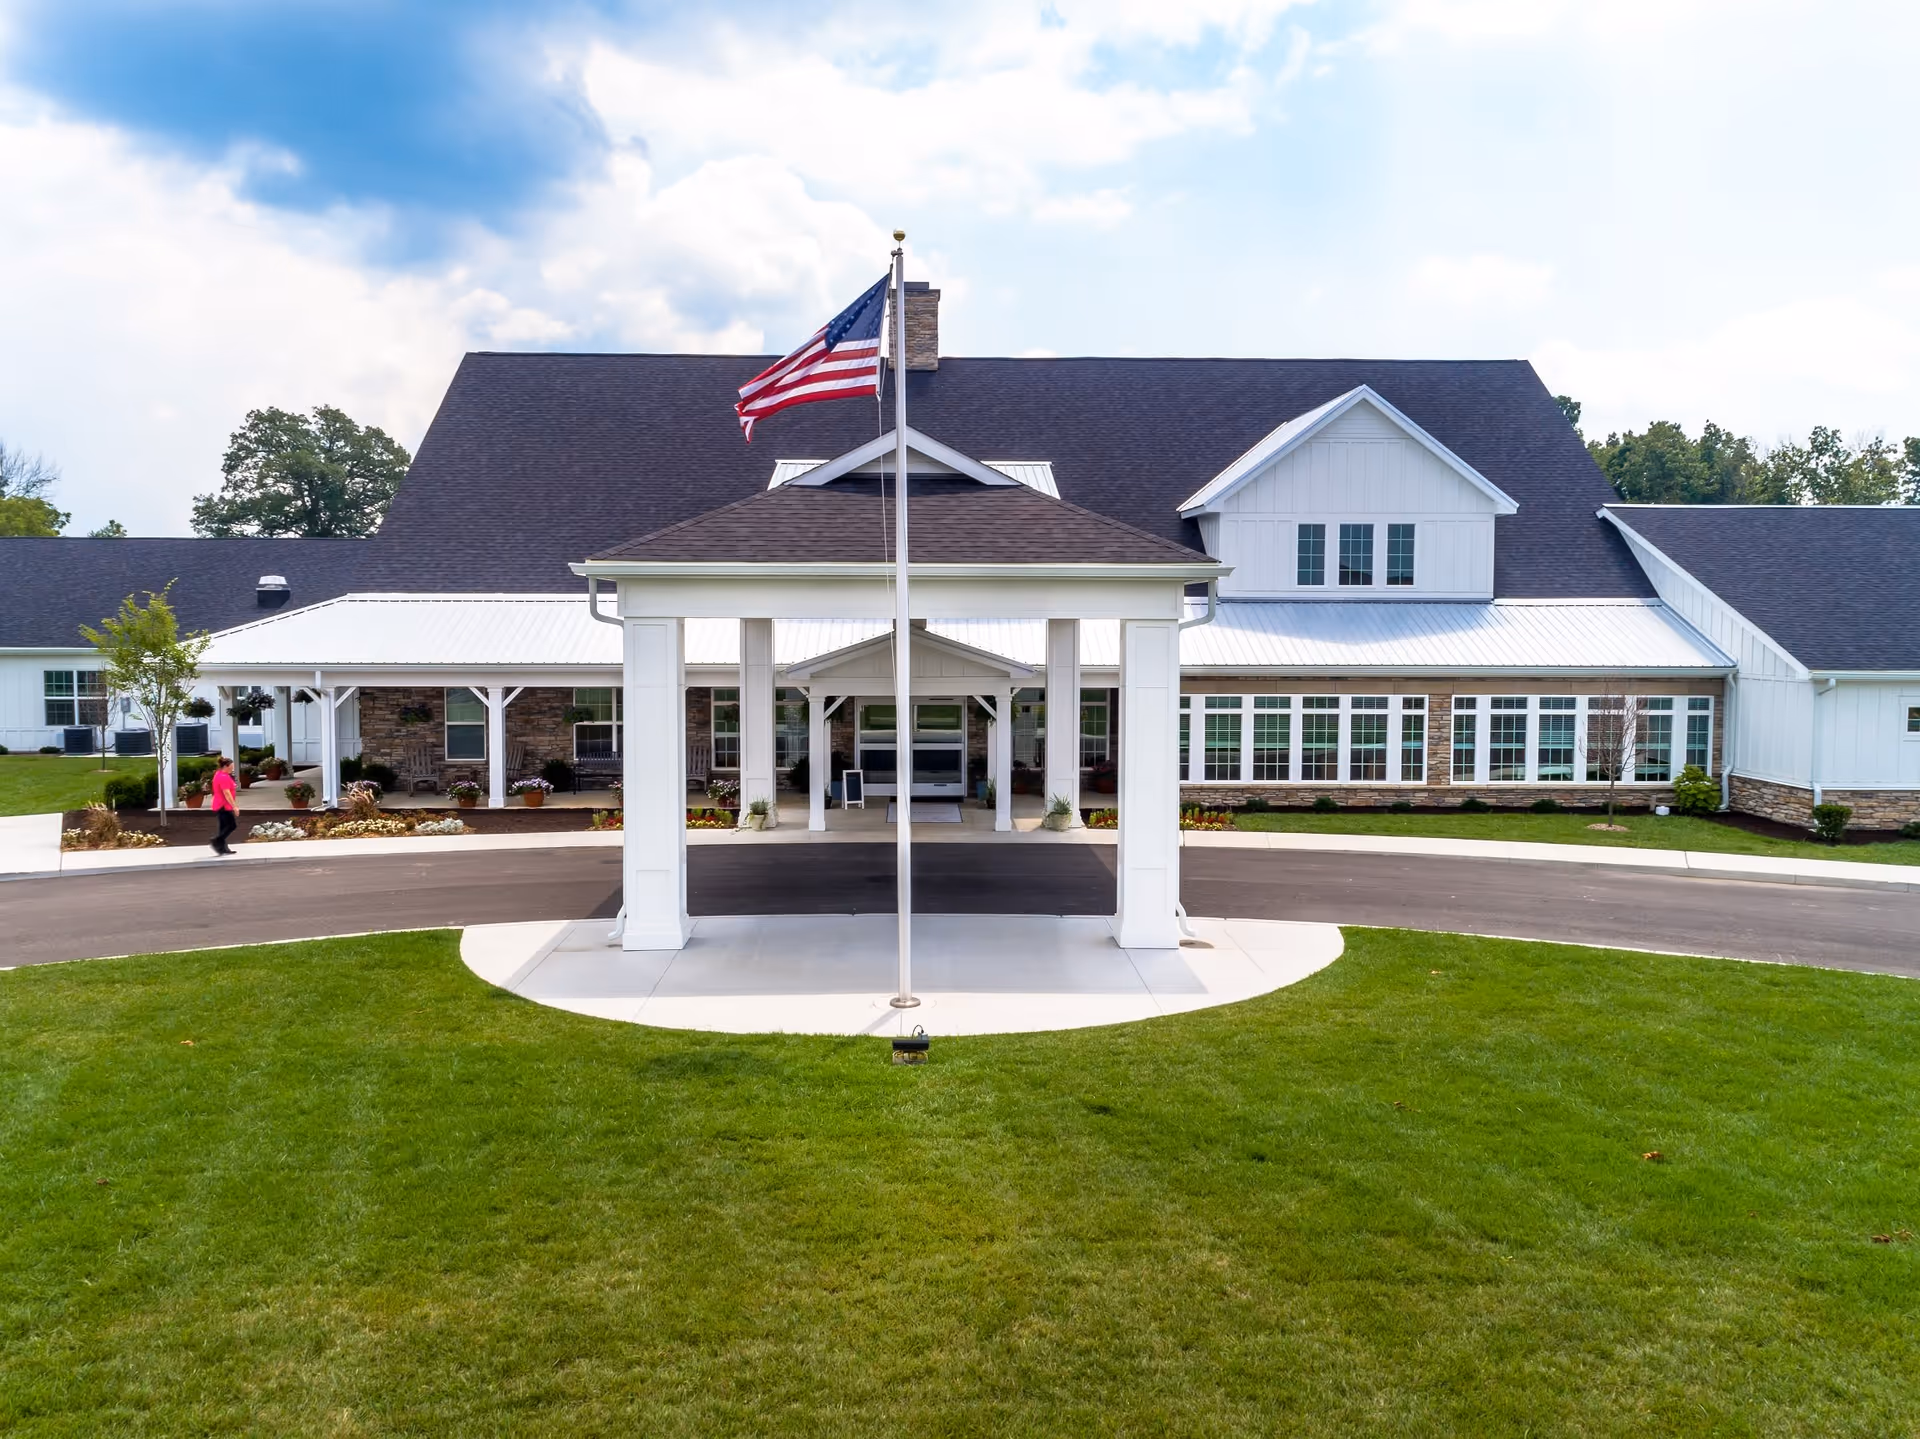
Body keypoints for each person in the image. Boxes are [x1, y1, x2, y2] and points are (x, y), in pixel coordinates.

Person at [209, 755, 239, 856]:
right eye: (231, 767)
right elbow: (227, 793)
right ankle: (217, 840)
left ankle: (222, 848)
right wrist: (234, 806)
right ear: (226, 766)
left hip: (220, 805)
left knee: (223, 827)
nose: (232, 769)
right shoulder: (223, 777)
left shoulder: (219, 774)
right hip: (224, 805)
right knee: (232, 825)